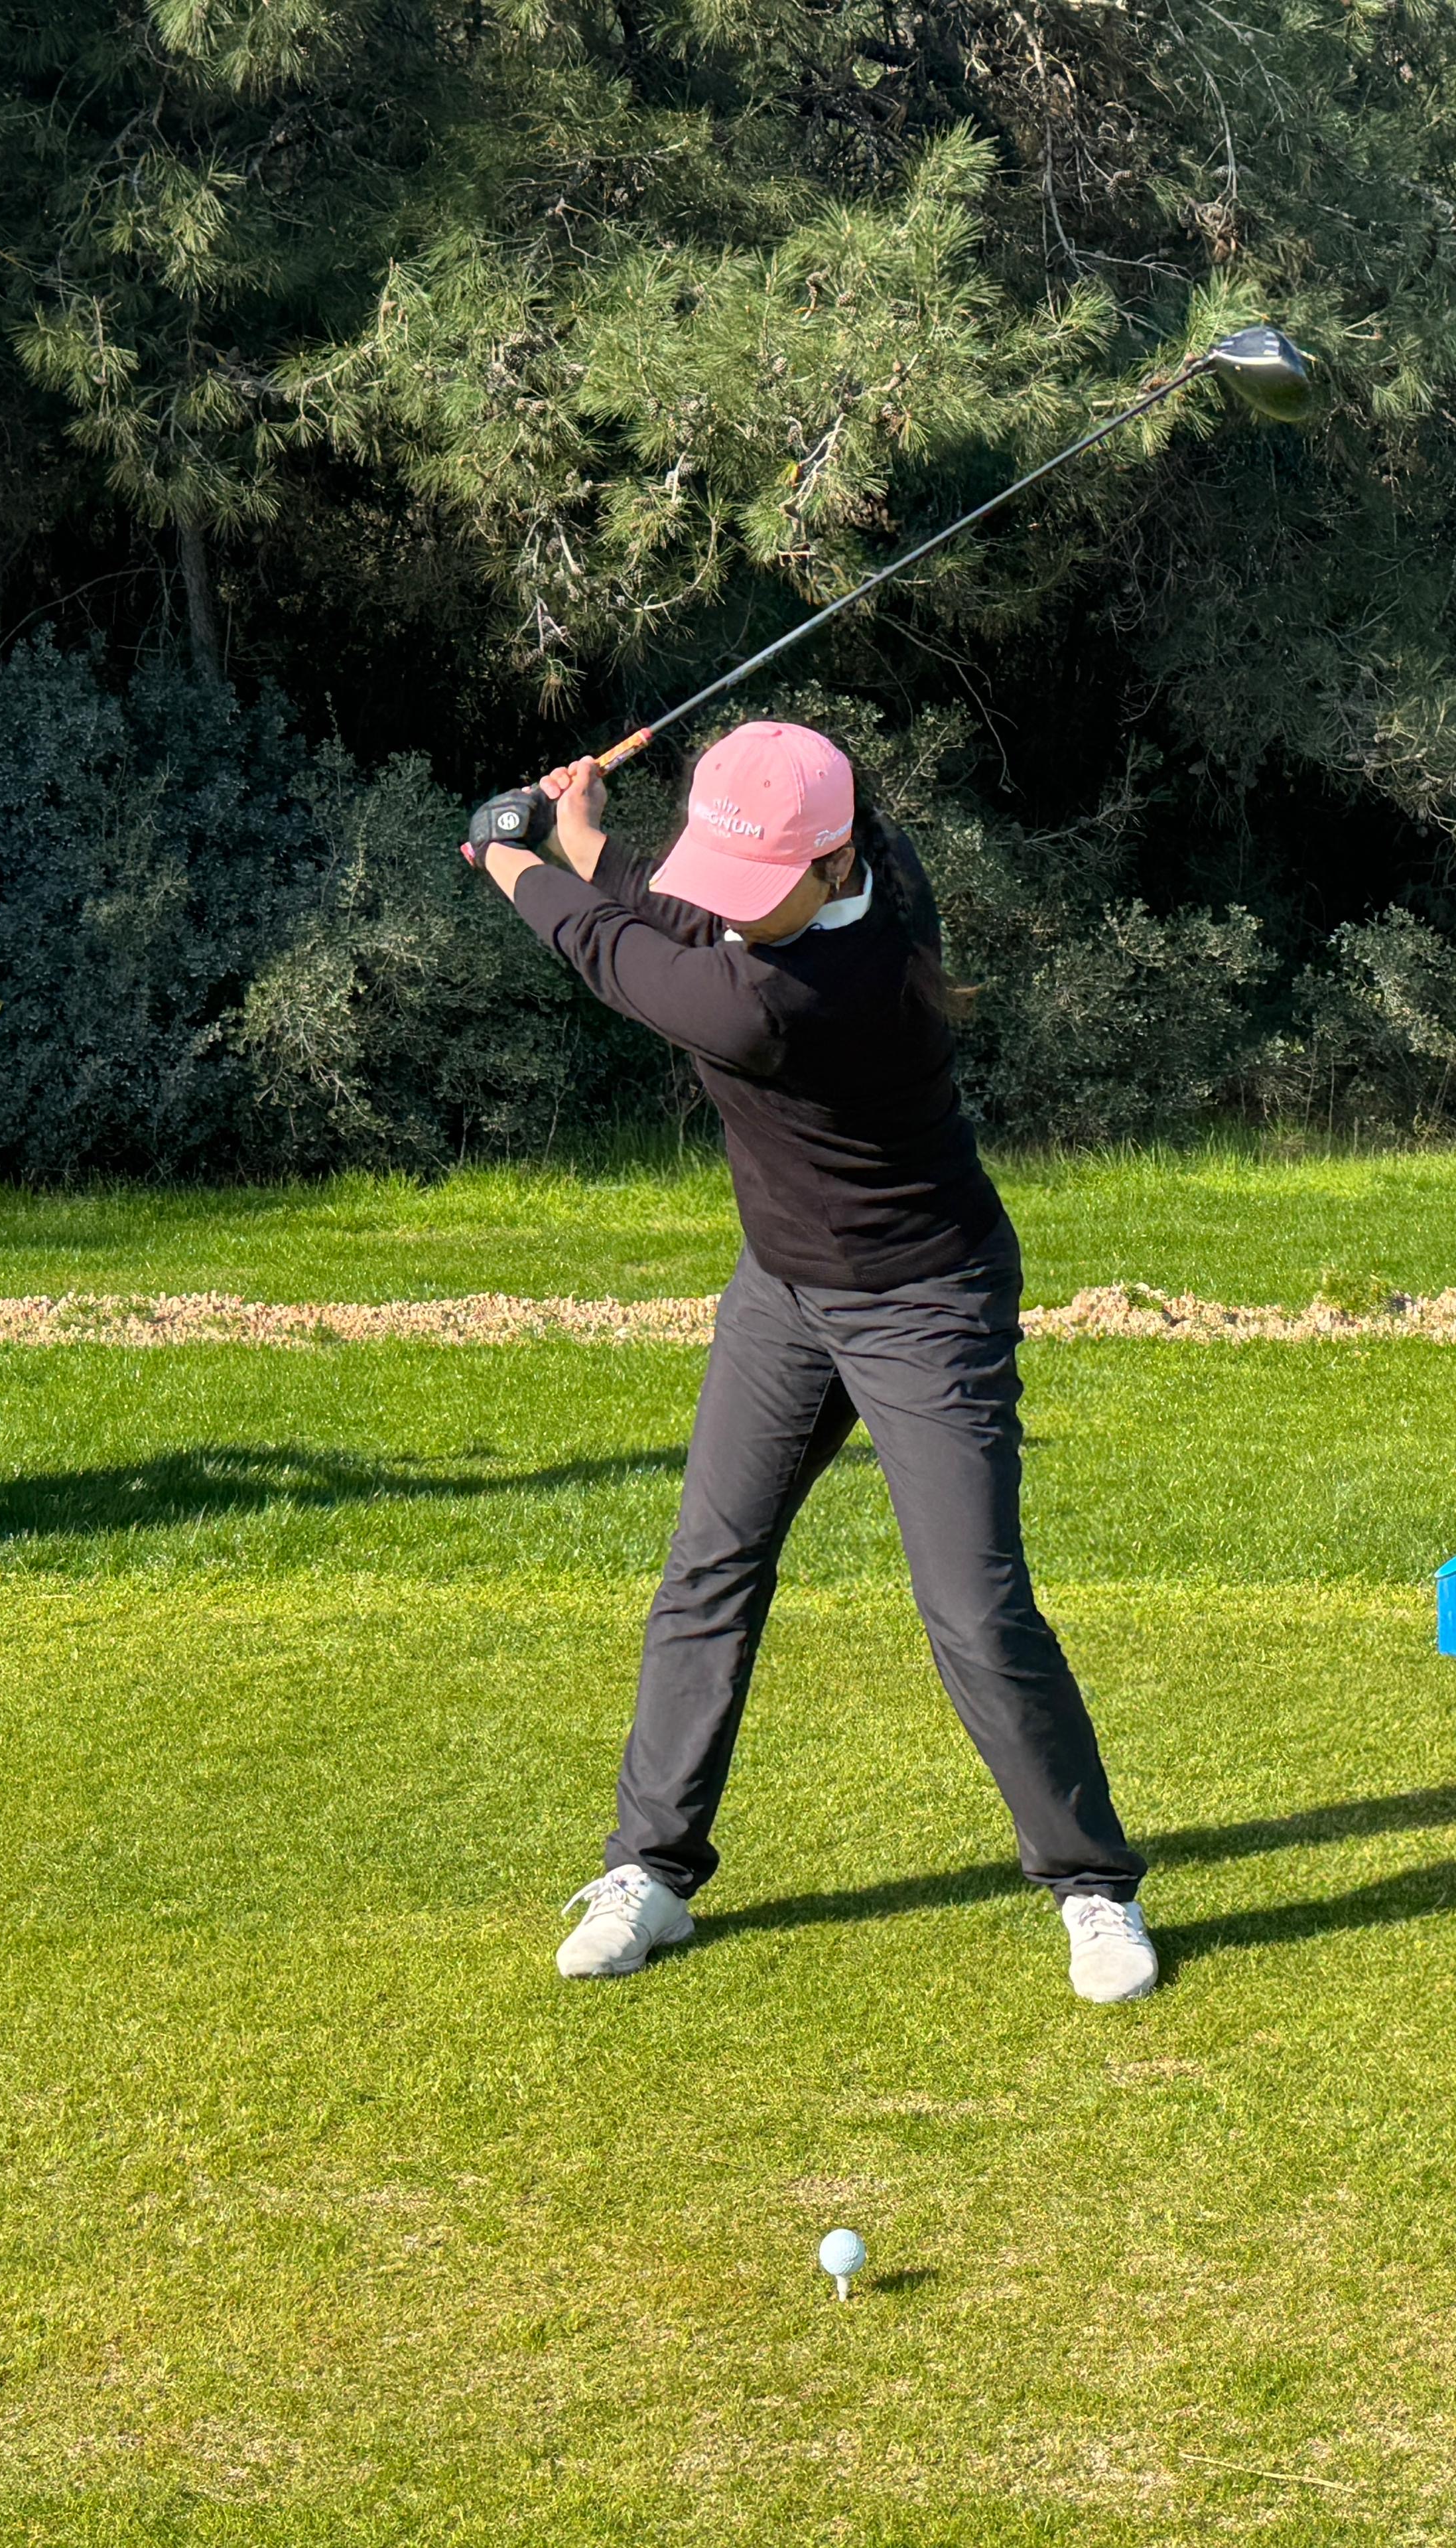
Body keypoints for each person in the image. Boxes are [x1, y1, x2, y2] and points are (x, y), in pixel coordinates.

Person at [466, 719, 1157, 2003]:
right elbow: (681, 904)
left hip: (925, 1302)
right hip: (783, 1292)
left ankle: (1092, 1886)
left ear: (834, 866)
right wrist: (590, 835)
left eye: (758, 881)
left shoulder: (786, 1004)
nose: (731, 906)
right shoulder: (861, 871)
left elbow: (616, 948)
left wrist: (509, 854)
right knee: (710, 1563)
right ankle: (650, 1870)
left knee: (974, 1607)